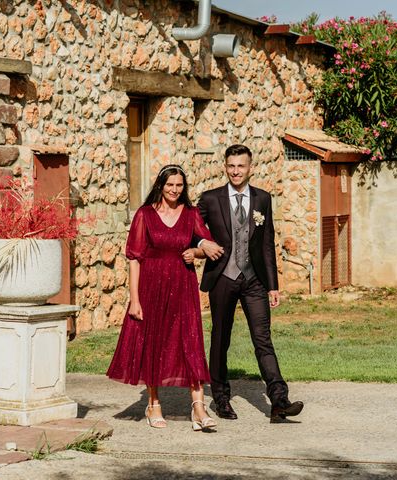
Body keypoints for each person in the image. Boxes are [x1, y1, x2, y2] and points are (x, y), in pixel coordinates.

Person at [197, 144, 304, 423]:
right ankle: (221, 398)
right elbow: (191, 230)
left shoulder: (263, 199)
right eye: (231, 166)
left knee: (263, 338)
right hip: (222, 277)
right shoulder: (210, 199)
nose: (235, 171)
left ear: (250, 167)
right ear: (225, 167)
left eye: (241, 166)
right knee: (221, 338)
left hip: (254, 279)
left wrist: (273, 285)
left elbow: (266, 244)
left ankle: (279, 400)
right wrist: (202, 243)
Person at [107, 164, 218, 431]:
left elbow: (206, 244)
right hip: (151, 286)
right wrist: (134, 299)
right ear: (160, 185)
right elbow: (134, 259)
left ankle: (199, 407)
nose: (175, 190)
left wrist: (196, 252)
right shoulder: (144, 215)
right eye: (170, 185)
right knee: (154, 343)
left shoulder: (191, 213)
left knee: (190, 342)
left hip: (183, 284)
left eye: (179, 186)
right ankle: (153, 403)